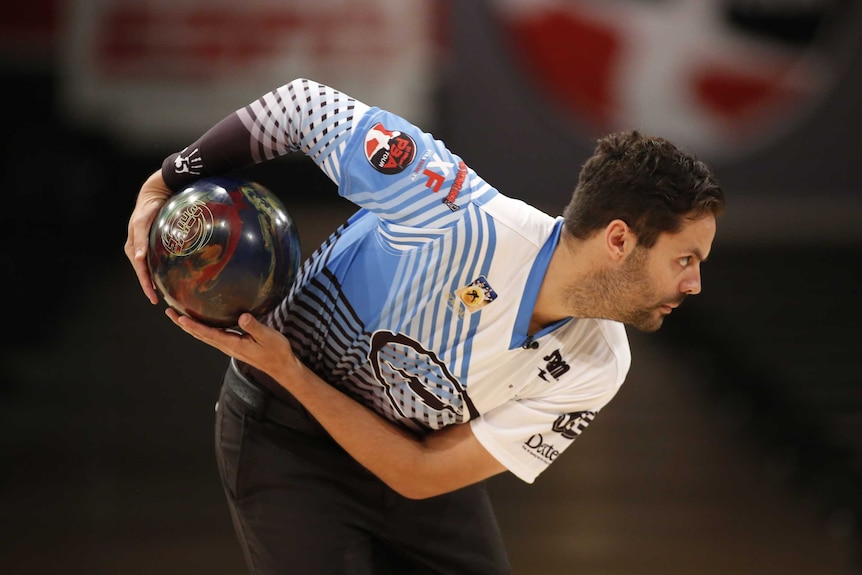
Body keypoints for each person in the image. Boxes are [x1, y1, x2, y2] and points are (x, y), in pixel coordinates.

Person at [125, 78, 724, 574]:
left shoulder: (599, 363)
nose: (694, 284)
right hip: (285, 441)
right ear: (619, 239)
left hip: (407, 461)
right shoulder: (454, 211)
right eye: (685, 259)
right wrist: (164, 182)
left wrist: (295, 370)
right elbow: (300, 107)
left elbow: (423, 473)